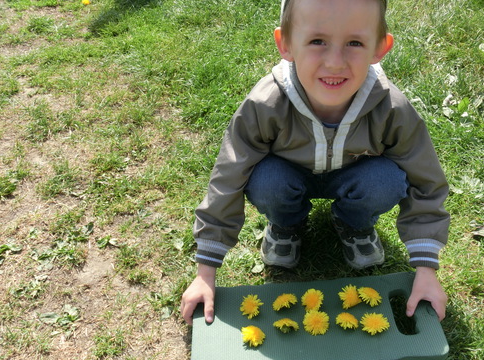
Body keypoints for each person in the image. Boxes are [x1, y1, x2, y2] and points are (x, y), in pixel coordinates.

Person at [180, 0, 449, 326]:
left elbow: (425, 181)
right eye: (317, 41)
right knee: (265, 181)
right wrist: (206, 274)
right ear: (286, 44)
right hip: (287, 175)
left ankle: (354, 224)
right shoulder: (265, 104)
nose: (335, 62)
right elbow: (228, 175)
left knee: (386, 180)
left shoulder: (392, 108)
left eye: (354, 43)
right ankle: (286, 224)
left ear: (380, 48)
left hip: (356, 176)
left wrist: (426, 270)